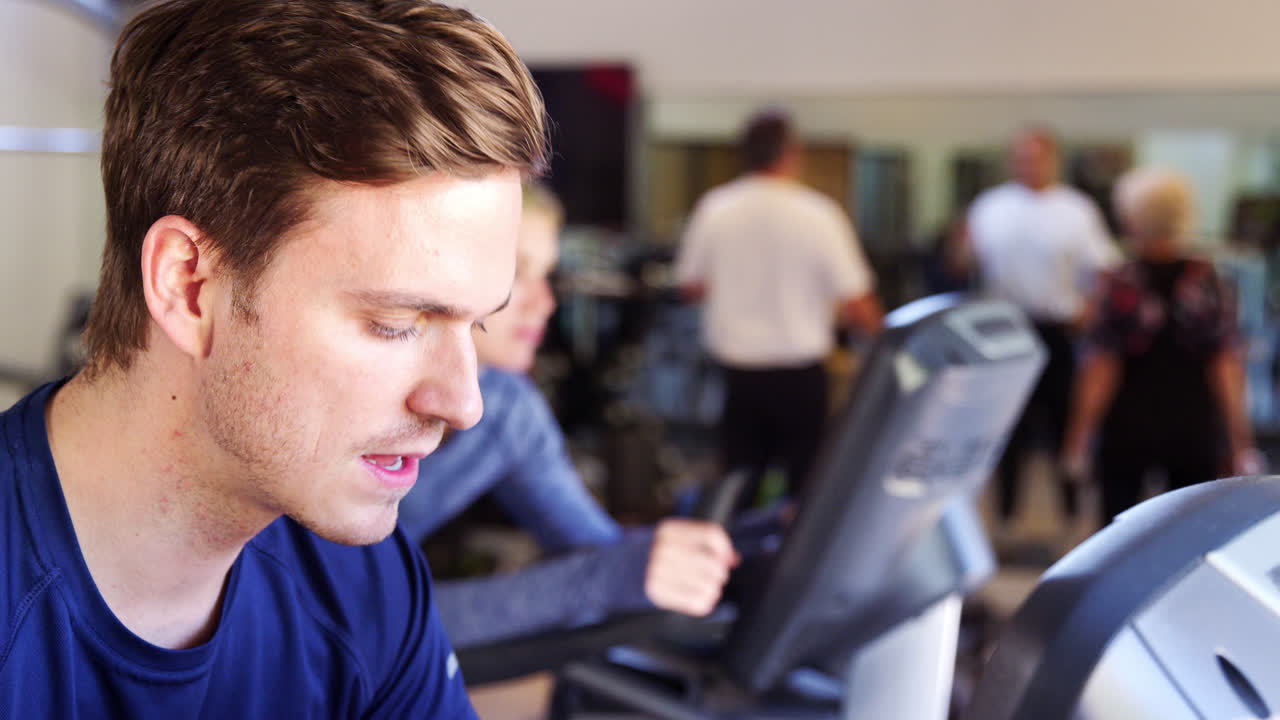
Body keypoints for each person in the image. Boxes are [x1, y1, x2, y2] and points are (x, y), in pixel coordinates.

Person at [0, 0, 546, 716]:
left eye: (474, 325)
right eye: (394, 323)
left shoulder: (362, 583)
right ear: (189, 287)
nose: (464, 404)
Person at [398, 184, 738, 648]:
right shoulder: (350, 402)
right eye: (516, 272)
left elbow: (596, 548)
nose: (546, 303)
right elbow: (341, 621)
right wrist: (598, 580)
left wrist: (749, 542)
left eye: (548, 276)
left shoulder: (506, 406)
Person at [674, 109, 882, 506]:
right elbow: (857, 300)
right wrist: (885, 341)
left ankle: (739, 564)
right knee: (804, 486)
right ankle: (792, 566)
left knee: (739, 483)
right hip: (799, 374)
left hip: (740, 372)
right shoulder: (819, 214)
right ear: (792, 153)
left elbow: (691, 287)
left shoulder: (716, 209)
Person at [1063, 168, 1260, 522]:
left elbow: (1101, 369)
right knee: (1189, 533)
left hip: (1129, 427)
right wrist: (1240, 438)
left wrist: (1078, 435)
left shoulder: (1118, 283)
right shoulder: (1209, 280)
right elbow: (1226, 365)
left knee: (1119, 535)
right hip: (1192, 426)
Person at [967, 127, 1118, 536]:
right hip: (1007, 329)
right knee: (1007, 429)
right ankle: (1006, 519)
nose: (1027, 165)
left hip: (1058, 329)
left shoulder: (1076, 209)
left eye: (1035, 157)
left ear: (1052, 159)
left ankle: (1070, 517)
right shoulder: (991, 206)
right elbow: (967, 265)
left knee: (1064, 426)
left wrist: (1088, 311)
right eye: (1020, 157)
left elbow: (1103, 269)